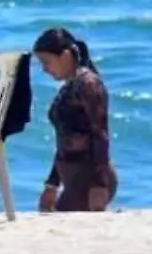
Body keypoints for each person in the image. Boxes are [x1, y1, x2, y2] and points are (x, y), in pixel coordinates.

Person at [35, 27, 116, 213]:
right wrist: (52, 185)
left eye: (47, 62)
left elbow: (100, 134)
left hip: (90, 179)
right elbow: (64, 140)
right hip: (73, 180)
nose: (44, 69)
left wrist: (99, 184)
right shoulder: (69, 87)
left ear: (64, 56)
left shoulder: (88, 84)